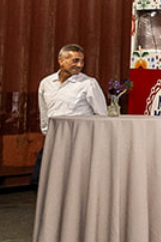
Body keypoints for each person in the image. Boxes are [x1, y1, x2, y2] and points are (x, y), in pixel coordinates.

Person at [32, 43, 108, 185]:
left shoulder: (88, 84)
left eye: (82, 61)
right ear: (61, 60)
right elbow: (44, 112)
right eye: (75, 60)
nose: (79, 65)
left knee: (73, 182)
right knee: (40, 181)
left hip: (79, 142)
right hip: (54, 140)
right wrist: (47, 134)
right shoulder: (46, 83)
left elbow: (101, 115)